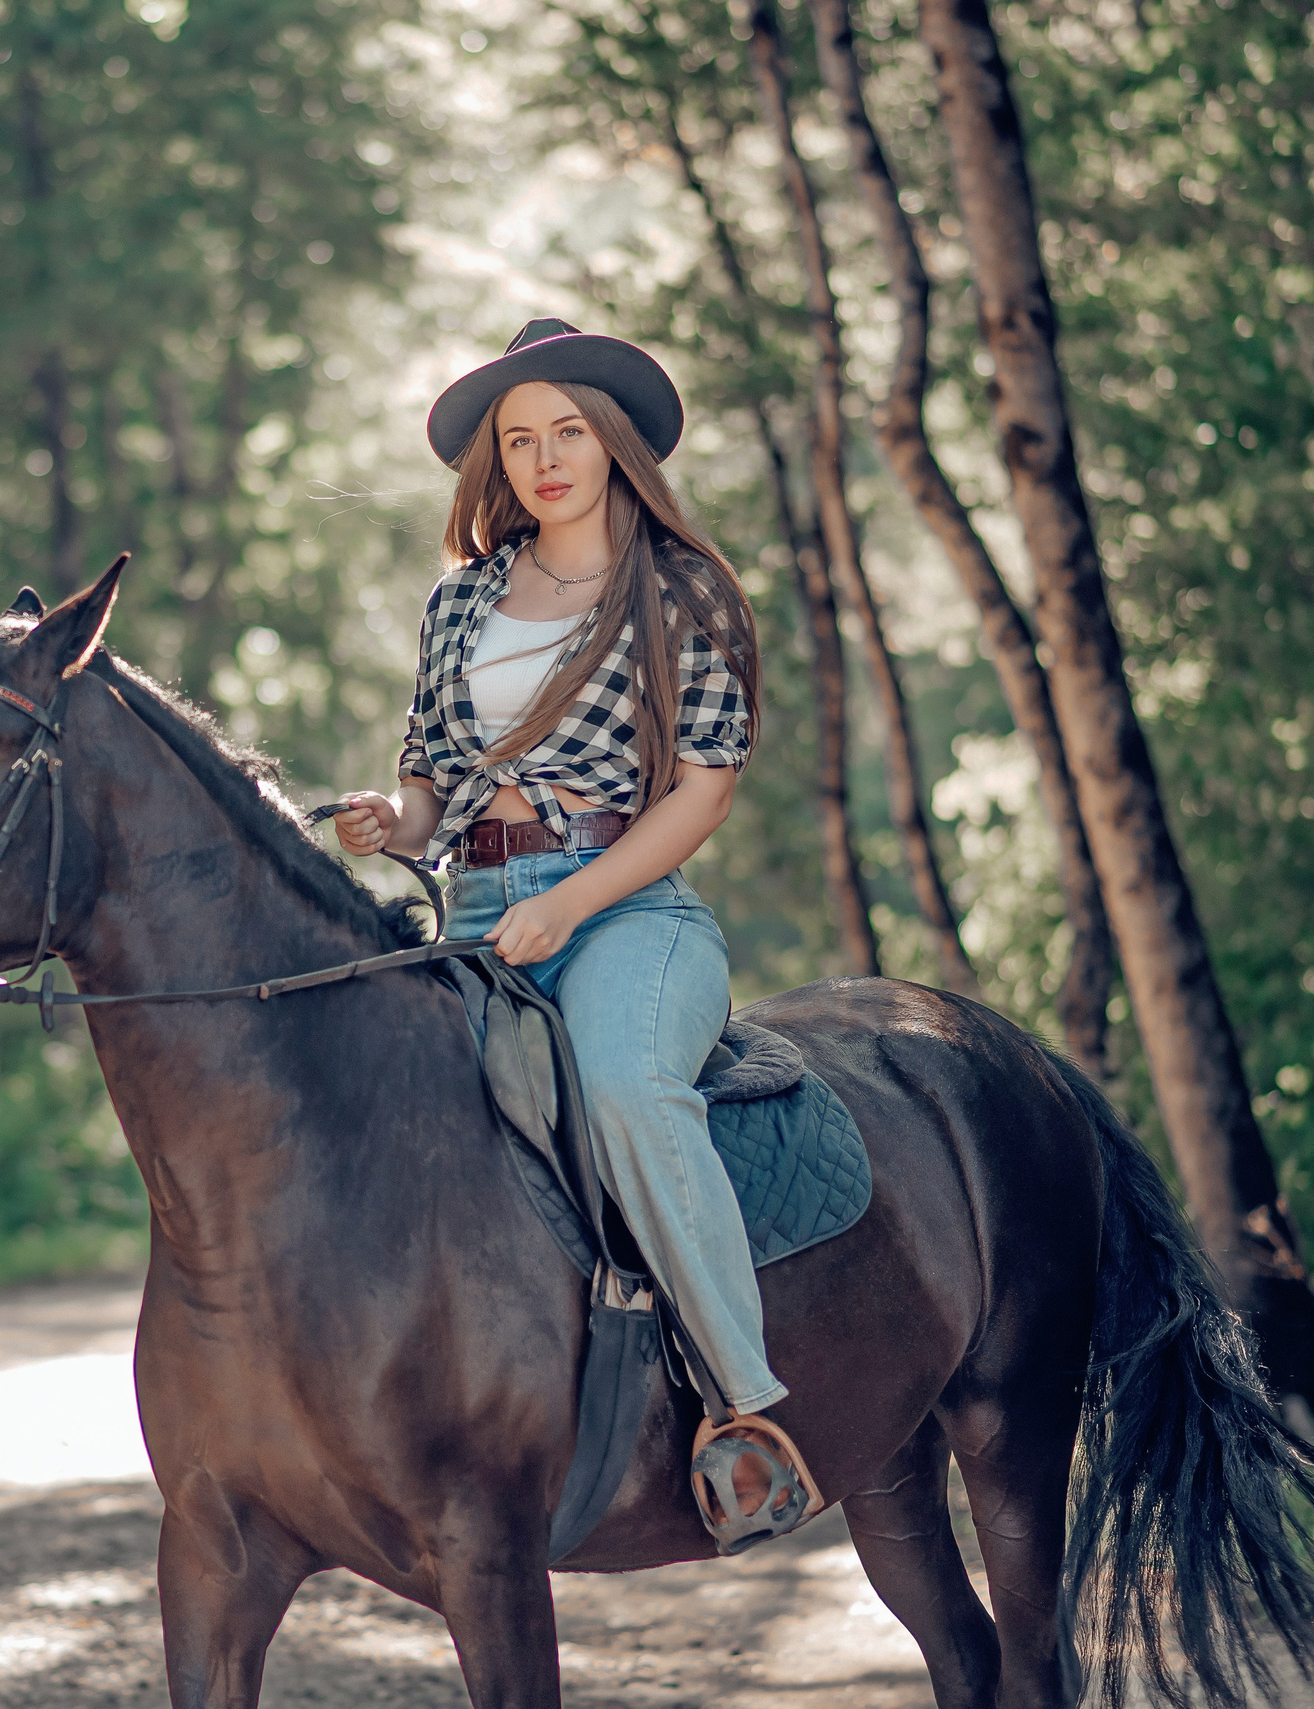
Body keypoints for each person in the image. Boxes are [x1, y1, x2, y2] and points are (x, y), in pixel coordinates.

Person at [335, 318, 816, 1544]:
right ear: (495, 460)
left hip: (628, 908)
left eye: (567, 431)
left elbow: (701, 792)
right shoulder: (462, 601)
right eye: (519, 438)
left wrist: (569, 902)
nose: (546, 458)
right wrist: (393, 819)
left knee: (623, 1087)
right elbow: (433, 779)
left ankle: (746, 1414)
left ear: (610, 443)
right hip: (479, 912)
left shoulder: (681, 590)